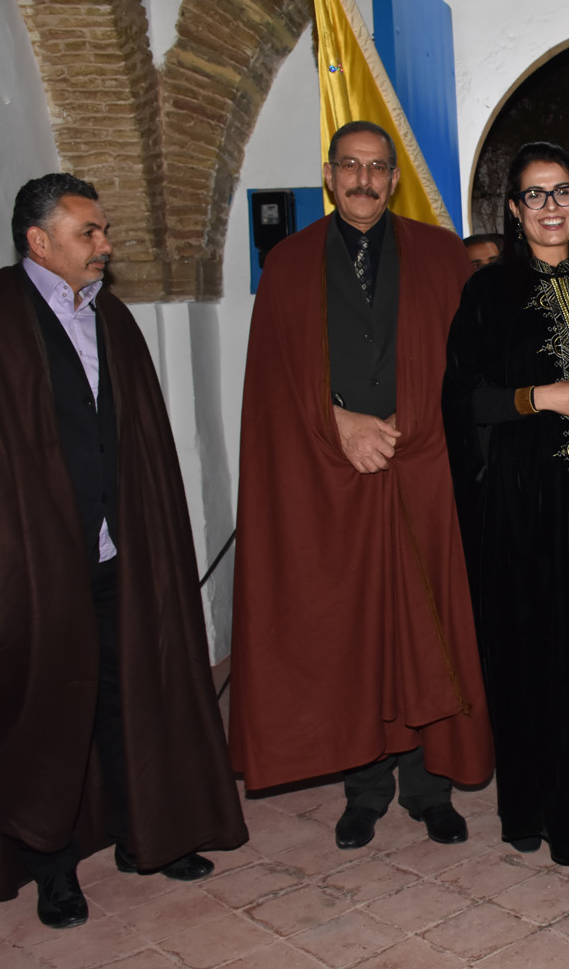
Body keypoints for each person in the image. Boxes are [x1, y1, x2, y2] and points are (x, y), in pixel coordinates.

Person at [0, 173, 246, 929]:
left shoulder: (112, 319)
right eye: (88, 232)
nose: (105, 244)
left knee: (126, 695)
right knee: (43, 718)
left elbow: (136, 443)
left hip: (113, 557)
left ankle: (147, 835)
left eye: (103, 230)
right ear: (39, 242)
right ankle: (53, 870)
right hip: (32, 574)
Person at [230, 121, 494, 852]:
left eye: (378, 168)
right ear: (328, 173)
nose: (364, 180)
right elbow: (274, 383)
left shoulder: (441, 255)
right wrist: (337, 420)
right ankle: (366, 791)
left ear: (395, 180)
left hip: (424, 468)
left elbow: (472, 365)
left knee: (425, 626)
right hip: (334, 477)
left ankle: (431, 790)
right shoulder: (287, 265)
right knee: (355, 630)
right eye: (351, 165)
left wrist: (416, 422)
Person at [443, 142, 569, 872]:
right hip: (527, 516)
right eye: (535, 194)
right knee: (538, 660)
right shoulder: (488, 294)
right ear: (514, 209)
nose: (551, 206)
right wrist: (539, 397)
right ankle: (537, 809)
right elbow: (463, 400)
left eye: (562, 192)